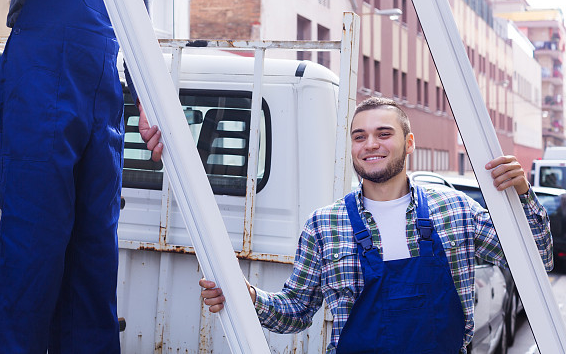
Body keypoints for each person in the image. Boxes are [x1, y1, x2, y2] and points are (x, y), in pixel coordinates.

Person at [0, 0, 205, 354]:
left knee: (95, 251)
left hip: (102, 94)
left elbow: (135, 36)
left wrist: (146, 98)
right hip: (39, 78)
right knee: (34, 247)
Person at [199, 97, 553, 354]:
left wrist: (522, 193)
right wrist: (248, 299)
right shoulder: (325, 226)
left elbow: (537, 260)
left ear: (408, 143)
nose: (371, 145)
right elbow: (295, 312)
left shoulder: (455, 210)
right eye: (359, 136)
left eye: (384, 133)